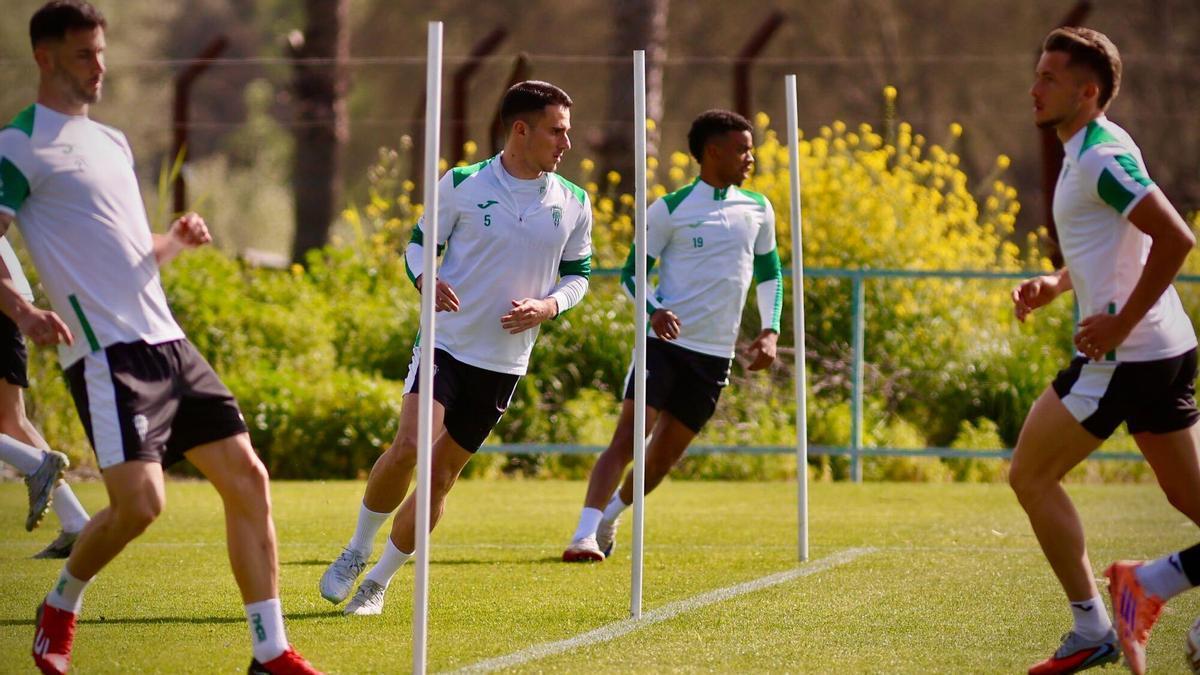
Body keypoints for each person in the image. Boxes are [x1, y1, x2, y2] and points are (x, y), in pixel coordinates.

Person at [0, 3, 319, 673]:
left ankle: (270, 650)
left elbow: (121, 246)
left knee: (249, 479)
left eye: (102, 52)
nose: (99, 66)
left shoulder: (111, 141)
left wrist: (172, 240)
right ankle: (60, 605)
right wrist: (23, 311)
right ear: (46, 57)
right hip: (106, 354)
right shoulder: (20, 144)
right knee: (142, 504)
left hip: (170, 340)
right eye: (84, 54)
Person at [318, 80, 592, 616]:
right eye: (557, 131)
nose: (567, 144)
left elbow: (579, 275)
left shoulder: (574, 202)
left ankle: (377, 583)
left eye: (568, 132)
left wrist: (549, 307)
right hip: (447, 343)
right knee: (411, 445)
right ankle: (355, 549)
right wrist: (427, 281)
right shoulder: (463, 183)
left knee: (441, 476)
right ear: (521, 129)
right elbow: (420, 246)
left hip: (505, 361)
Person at [1013, 27, 1200, 675]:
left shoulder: (1097, 157)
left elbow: (1176, 240)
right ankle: (1152, 585)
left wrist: (1118, 328)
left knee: (1030, 475)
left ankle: (1107, 613)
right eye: (1037, 75)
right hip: (1164, 348)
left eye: (1050, 79)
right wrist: (1057, 282)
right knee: (1192, 500)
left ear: (1088, 92)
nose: (1034, 89)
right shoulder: (1094, 146)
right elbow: (1121, 240)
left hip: (1128, 356)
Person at [562, 109, 782, 562]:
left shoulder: (759, 209)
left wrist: (769, 331)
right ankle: (582, 534)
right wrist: (655, 310)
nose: (750, 157)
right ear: (712, 151)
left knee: (660, 460)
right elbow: (631, 274)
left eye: (750, 149)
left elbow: (769, 273)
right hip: (662, 346)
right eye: (742, 148)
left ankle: (610, 517)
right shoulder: (669, 209)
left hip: (714, 356)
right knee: (627, 439)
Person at [0, 234, 89, 558]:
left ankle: (35, 464)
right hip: (6, 306)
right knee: (11, 421)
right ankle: (76, 521)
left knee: (11, 420)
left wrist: (20, 310)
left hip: (4, 305)